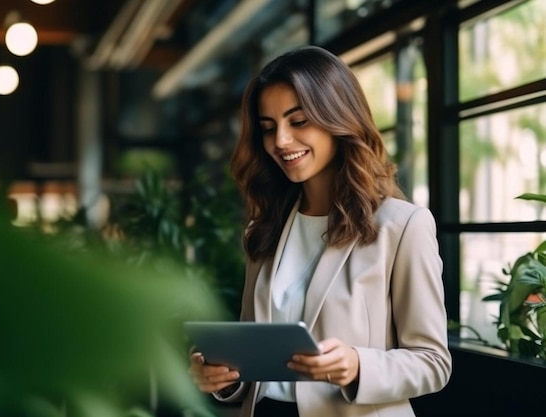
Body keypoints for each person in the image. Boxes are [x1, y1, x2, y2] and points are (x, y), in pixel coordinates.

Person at [188, 45, 451, 417]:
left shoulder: (402, 225)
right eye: (268, 128)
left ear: (338, 118)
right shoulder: (265, 229)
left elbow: (433, 363)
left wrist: (358, 366)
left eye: (298, 122)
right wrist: (225, 377)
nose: (280, 141)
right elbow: (258, 356)